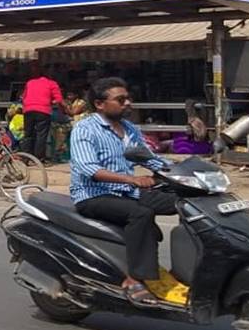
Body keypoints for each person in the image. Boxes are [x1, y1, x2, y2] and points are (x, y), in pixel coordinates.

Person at [70, 77, 177, 307]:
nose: (128, 103)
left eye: (128, 98)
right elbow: (89, 168)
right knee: (141, 213)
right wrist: (132, 179)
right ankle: (134, 280)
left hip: (127, 192)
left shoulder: (129, 129)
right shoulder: (84, 129)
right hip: (94, 195)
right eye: (120, 100)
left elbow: (150, 158)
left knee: (184, 202)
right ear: (100, 104)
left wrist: (183, 171)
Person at [21, 64, 71, 163]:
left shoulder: (30, 82)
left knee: (28, 134)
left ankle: (25, 157)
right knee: (41, 135)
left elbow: (23, 97)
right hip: (43, 110)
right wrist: (51, 102)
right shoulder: (52, 84)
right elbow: (58, 99)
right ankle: (39, 158)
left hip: (28, 110)